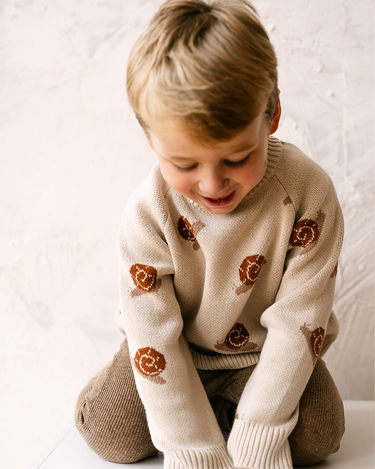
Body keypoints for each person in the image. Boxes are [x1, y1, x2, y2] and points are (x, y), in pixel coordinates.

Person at [74, 1, 345, 468]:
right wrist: (194, 450)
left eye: (237, 158)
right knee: (111, 435)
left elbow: (302, 318)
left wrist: (258, 436)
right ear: (150, 139)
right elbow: (154, 333)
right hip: (173, 345)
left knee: (320, 437)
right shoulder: (147, 212)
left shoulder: (308, 192)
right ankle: (200, 410)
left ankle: (229, 411)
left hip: (264, 352)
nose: (212, 184)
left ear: (272, 116)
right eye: (184, 165)